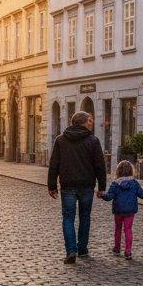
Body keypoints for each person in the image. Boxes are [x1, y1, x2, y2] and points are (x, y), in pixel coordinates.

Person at [47, 111, 107, 264]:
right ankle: (82, 249)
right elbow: (100, 165)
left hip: (67, 184)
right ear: (86, 122)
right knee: (85, 217)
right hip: (86, 184)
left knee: (68, 217)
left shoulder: (61, 140)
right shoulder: (93, 141)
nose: (91, 124)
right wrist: (102, 186)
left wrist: (52, 185)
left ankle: (71, 250)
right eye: (90, 121)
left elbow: (54, 164)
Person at [100, 160, 143, 260]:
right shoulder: (134, 183)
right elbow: (142, 195)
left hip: (118, 210)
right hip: (130, 210)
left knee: (118, 229)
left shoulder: (115, 183)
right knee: (128, 230)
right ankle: (128, 251)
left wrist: (102, 195)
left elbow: (109, 196)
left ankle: (117, 247)